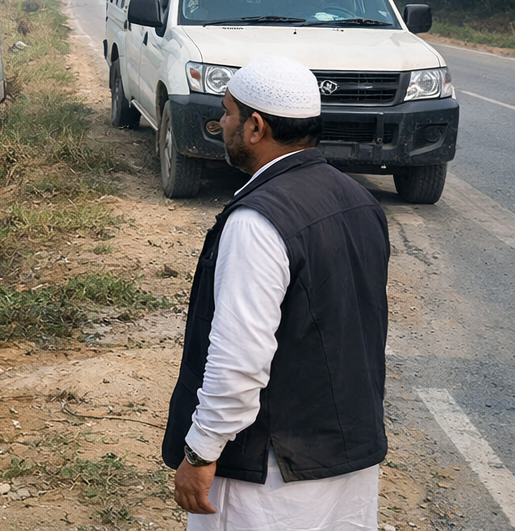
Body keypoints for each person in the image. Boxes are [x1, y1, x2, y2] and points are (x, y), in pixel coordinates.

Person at [163, 54, 389, 530]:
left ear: (255, 127)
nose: (221, 122)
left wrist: (201, 451)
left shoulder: (257, 221)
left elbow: (239, 360)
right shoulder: (358, 199)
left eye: (227, 112)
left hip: (268, 477)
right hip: (345, 455)